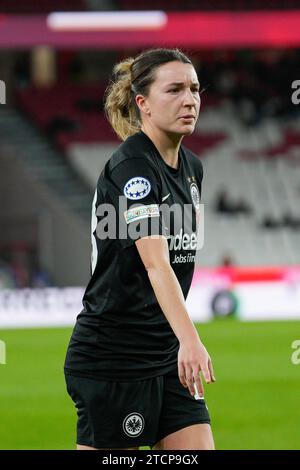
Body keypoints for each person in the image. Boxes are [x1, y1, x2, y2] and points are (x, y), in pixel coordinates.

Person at [64, 48, 216, 451]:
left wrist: (177, 341)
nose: (190, 99)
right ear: (143, 104)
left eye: (195, 89)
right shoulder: (132, 169)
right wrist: (191, 339)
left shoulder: (192, 169)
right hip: (115, 356)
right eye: (175, 90)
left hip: (165, 355)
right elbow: (156, 264)